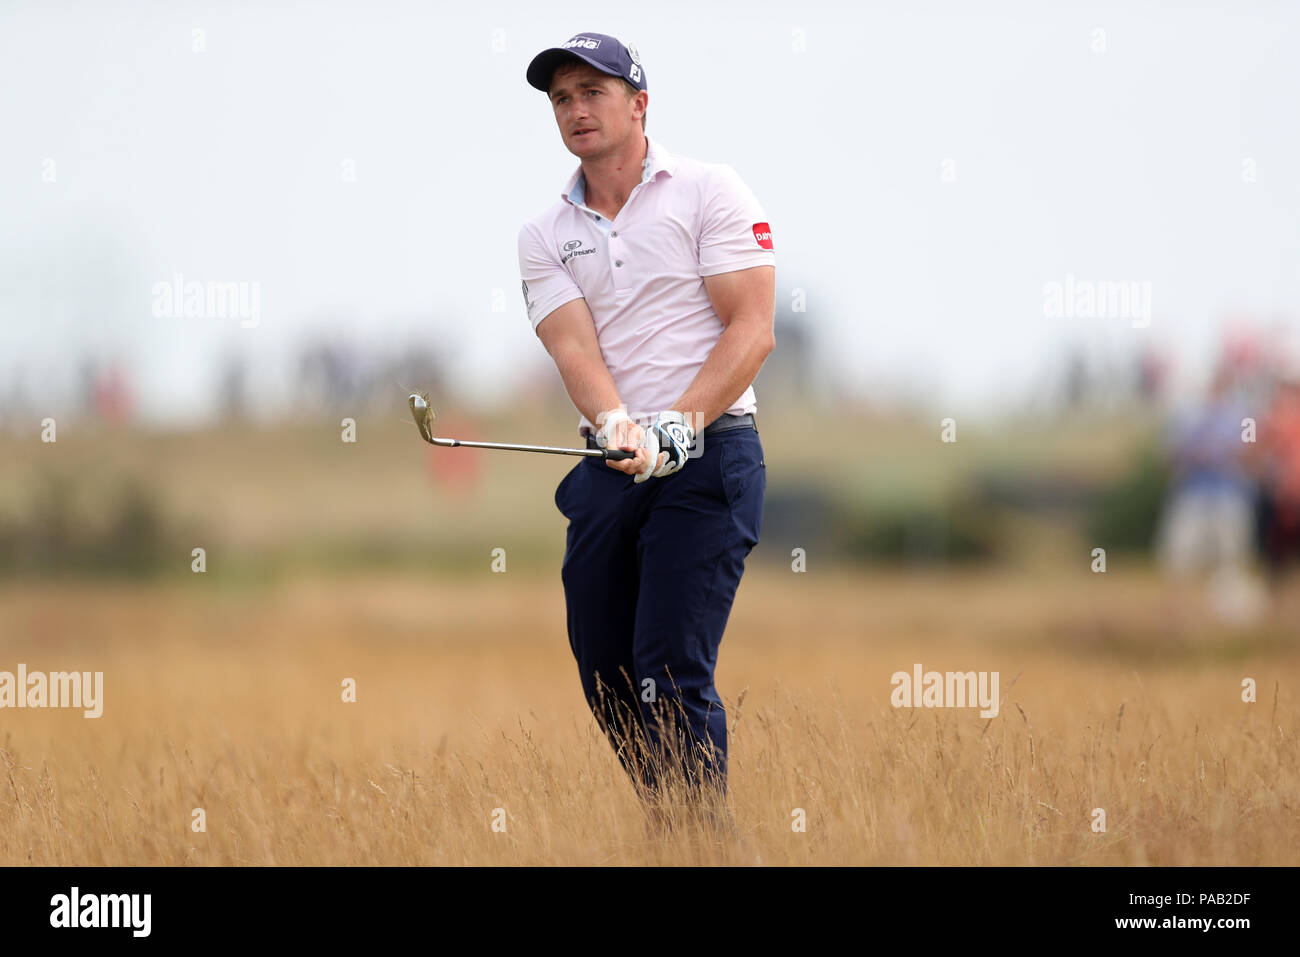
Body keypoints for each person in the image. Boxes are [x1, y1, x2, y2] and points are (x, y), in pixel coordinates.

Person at [516, 33, 775, 832]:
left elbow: (752, 328)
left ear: (639, 103)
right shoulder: (543, 233)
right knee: (604, 667)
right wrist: (622, 425)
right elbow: (573, 348)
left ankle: (703, 834)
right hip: (612, 456)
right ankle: (674, 817)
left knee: (669, 665)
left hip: (712, 454)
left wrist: (679, 425)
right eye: (562, 98)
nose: (575, 110)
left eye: (592, 92)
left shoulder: (709, 190)